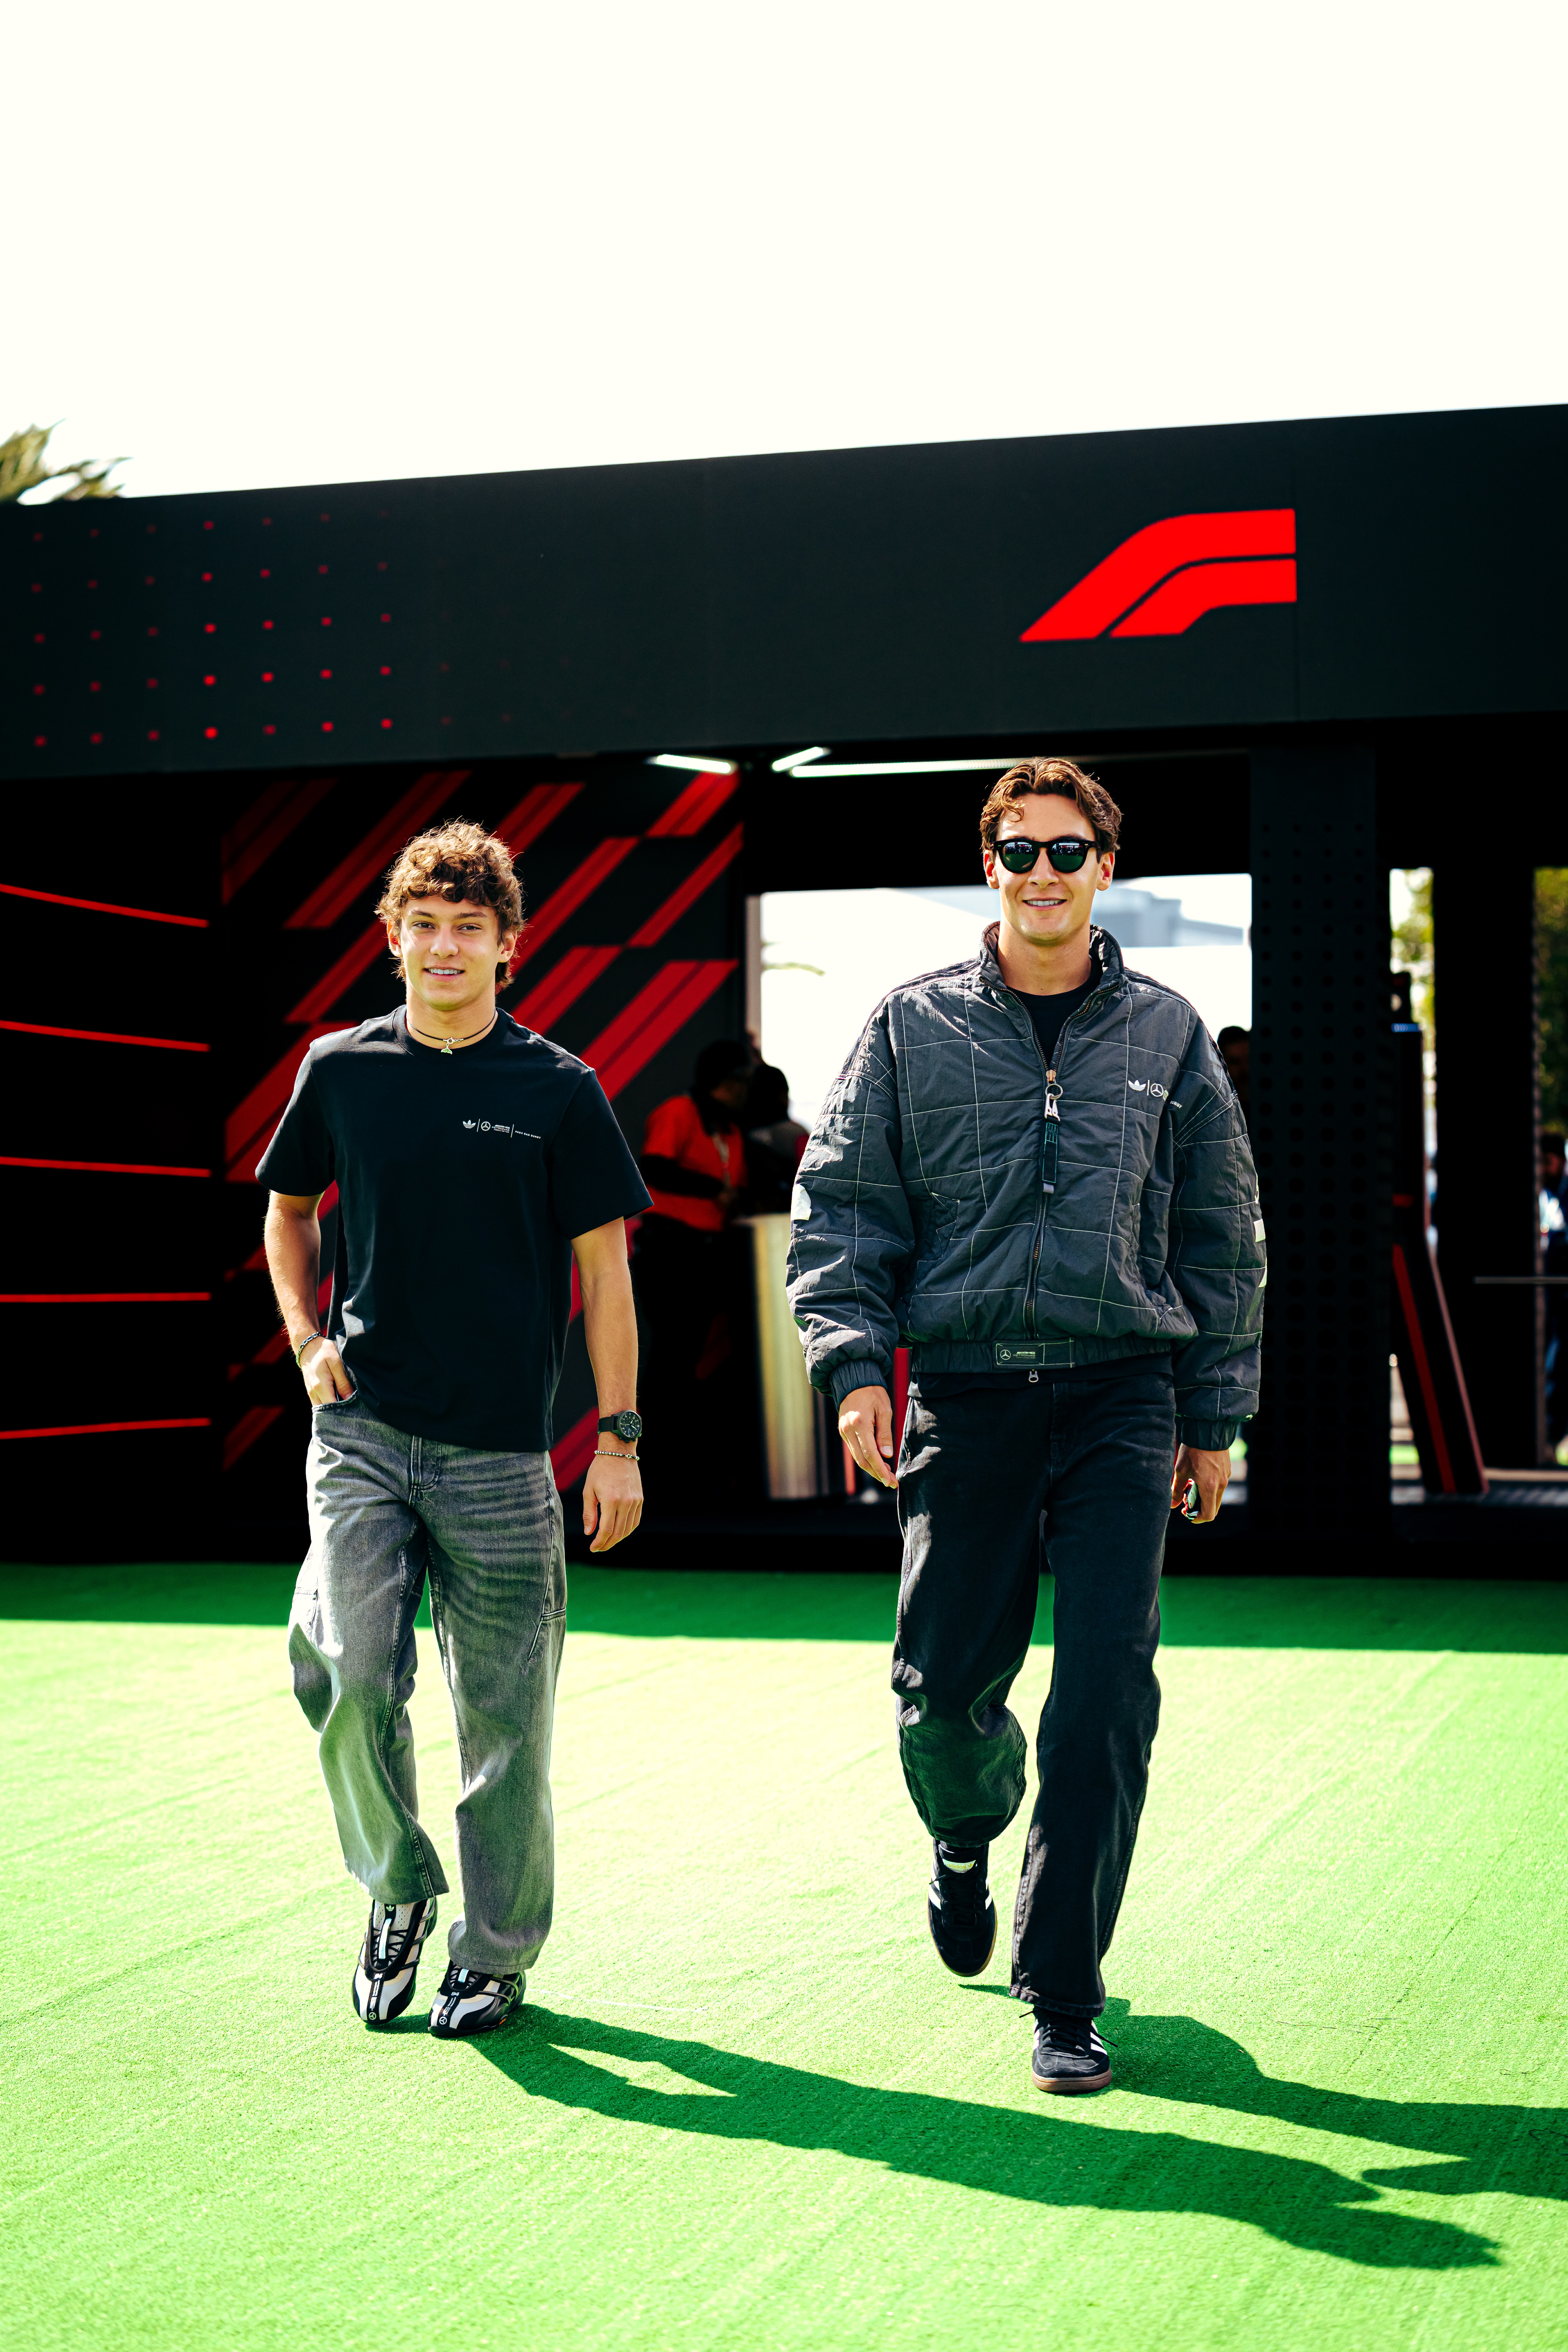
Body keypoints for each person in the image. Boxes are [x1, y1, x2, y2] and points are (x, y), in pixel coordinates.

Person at [786, 757, 1264, 2094]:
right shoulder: (906, 1025)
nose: (1041, 874)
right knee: (942, 1694)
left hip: (1124, 1392)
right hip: (965, 1392)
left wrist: (1211, 1410)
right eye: (1017, 851)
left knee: (1106, 1693)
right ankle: (960, 1835)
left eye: (1066, 852)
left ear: (1107, 868)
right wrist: (853, 1369)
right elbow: (841, 1212)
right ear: (984, 865)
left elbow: (1223, 1234)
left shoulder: (1166, 1033)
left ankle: (1062, 1988)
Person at [259, 819, 651, 2039]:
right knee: (339, 1671)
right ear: (392, 938)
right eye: (423, 925)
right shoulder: (340, 1069)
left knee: (504, 1716)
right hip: (362, 1432)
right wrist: (308, 1342)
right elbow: (286, 1219)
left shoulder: (559, 1088)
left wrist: (621, 1439)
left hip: (501, 1453)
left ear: (507, 947)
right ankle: (396, 1888)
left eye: (467, 929)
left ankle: (494, 1952)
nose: (444, 947)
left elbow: (608, 1275)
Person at [633, 1039, 755, 1471]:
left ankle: (676, 1456)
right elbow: (654, 1167)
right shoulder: (679, 1112)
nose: (746, 1092)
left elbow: (732, 1186)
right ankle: (650, 1455)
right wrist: (713, 1190)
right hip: (670, 1251)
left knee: (686, 1356)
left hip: (707, 1255)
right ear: (727, 1083)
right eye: (742, 1082)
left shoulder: (730, 1130)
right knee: (672, 1353)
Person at [743, 1061, 809, 1215]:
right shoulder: (796, 1134)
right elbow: (811, 1181)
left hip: (750, 1213)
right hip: (791, 1215)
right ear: (782, 1095)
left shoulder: (735, 1134)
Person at [1216, 1024, 1250, 1124]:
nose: (1245, 1069)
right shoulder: (1218, 1111)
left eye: (1249, 1060)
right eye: (1235, 1062)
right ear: (1221, 1063)